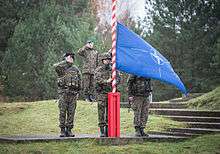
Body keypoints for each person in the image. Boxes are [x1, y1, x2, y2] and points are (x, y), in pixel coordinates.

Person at [54, 52, 82, 137]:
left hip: (73, 95)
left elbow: (80, 81)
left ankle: (69, 130)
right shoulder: (61, 68)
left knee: (71, 112)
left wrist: (78, 92)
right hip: (63, 94)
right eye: (69, 57)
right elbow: (55, 66)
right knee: (62, 112)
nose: (70, 59)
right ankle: (62, 130)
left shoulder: (75, 69)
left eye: (72, 58)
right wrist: (65, 60)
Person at [94, 53, 113, 137]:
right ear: (103, 61)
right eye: (106, 60)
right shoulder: (98, 70)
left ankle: (108, 130)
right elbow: (98, 79)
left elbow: (119, 79)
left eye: (109, 60)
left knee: (109, 113)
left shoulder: (113, 70)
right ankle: (102, 130)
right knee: (101, 112)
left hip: (110, 93)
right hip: (101, 93)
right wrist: (107, 81)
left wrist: (115, 81)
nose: (107, 61)